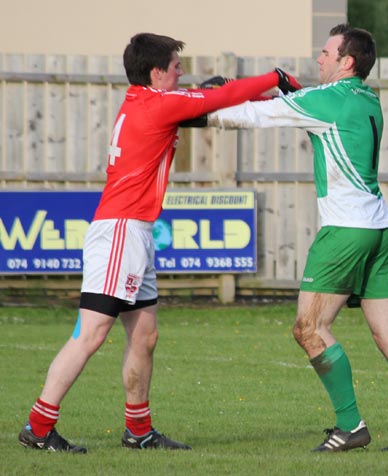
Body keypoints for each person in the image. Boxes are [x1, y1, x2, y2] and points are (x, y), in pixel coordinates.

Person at [18, 32, 301, 453]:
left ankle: (139, 430)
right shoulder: (158, 104)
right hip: (120, 233)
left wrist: (273, 101)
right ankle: (38, 427)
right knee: (91, 334)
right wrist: (274, 77)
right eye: (175, 65)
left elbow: (215, 100)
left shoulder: (147, 100)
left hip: (135, 233)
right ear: (156, 72)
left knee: (144, 335)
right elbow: (219, 98)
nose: (181, 71)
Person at [207, 24, 388, 452]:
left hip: (346, 232)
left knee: (309, 328)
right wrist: (257, 94)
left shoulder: (326, 100)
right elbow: (290, 103)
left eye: (327, 52)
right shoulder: (366, 98)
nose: (320, 58)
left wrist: (200, 109)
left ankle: (350, 427)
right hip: (378, 229)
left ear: (346, 61)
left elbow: (258, 116)